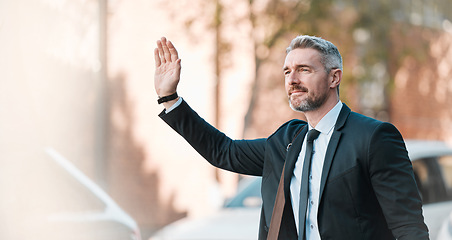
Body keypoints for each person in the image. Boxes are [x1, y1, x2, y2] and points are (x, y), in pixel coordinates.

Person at [153, 35, 429, 240]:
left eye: (304, 70)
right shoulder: (286, 141)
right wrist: (170, 99)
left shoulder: (373, 137)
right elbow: (223, 151)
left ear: (335, 78)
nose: (292, 79)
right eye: (287, 71)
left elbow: (408, 226)